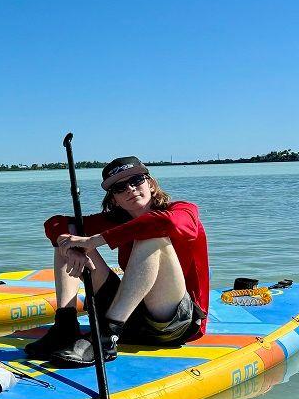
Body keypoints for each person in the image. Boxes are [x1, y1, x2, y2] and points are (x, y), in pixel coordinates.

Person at [26, 156, 209, 365]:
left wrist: (97, 240)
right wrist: (72, 247)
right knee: (68, 239)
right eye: (120, 188)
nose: (130, 189)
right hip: (131, 322)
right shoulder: (115, 220)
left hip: (173, 324)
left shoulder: (183, 210)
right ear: (114, 199)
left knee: (151, 236)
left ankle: (106, 337)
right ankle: (65, 326)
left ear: (149, 183)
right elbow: (56, 223)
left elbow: (165, 223)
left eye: (137, 180)